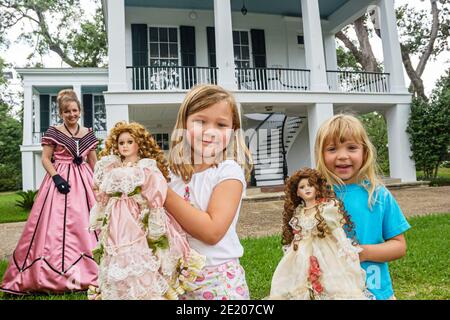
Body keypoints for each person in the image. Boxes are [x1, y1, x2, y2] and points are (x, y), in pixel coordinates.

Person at [89, 121, 204, 300]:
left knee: (140, 254)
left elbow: (155, 194)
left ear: (139, 144)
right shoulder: (111, 167)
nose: (125, 146)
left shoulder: (145, 168)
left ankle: (143, 291)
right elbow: (101, 190)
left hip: (135, 218)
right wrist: (102, 207)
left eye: (129, 141)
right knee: (116, 254)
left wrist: (154, 218)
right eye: (121, 142)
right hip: (116, 221)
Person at [0, 89, 99, 295]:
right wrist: (56, 177)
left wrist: (98, 181)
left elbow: (93, 161)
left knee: (87, 220)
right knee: (55, 224)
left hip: (85, 181)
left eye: (74, 110)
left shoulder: (88, 132)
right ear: (61, 114)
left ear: (79, 111)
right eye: (66, 112)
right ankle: (51, 272)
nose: (71, 114)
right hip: (60, 178)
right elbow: (46, 158)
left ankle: (91, 267)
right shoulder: (53, 131)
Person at [164, 84, 253, 300]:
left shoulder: (228, 172)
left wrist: (162, 193)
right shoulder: (170, 174)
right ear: (184, 123)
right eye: (200, 121)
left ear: (233, 131)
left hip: (217, 281)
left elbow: (212, 232)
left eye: (221, 125)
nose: (210, 131)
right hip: (176, 280)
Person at [314, 114, 411, 300]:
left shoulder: (378, 195)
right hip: (329, 292)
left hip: (375, 291)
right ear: (321, 153)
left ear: (364, 152)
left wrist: (364, 253)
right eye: (332, 149)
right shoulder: (318, 196)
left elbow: (399, 247)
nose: (343, 156)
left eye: (351, 148)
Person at [269, 168, 373, 300]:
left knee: (330, 282)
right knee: (299, 283)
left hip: (325, 250)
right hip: (303, 252)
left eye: (310, 185)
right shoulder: (299, 212)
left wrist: (345, 247)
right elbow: (298, 233)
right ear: (297, 193)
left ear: (317, 188)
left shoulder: (326, 208)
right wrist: (293, 248)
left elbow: (336, 230)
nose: (307, 189)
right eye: (302, 187)